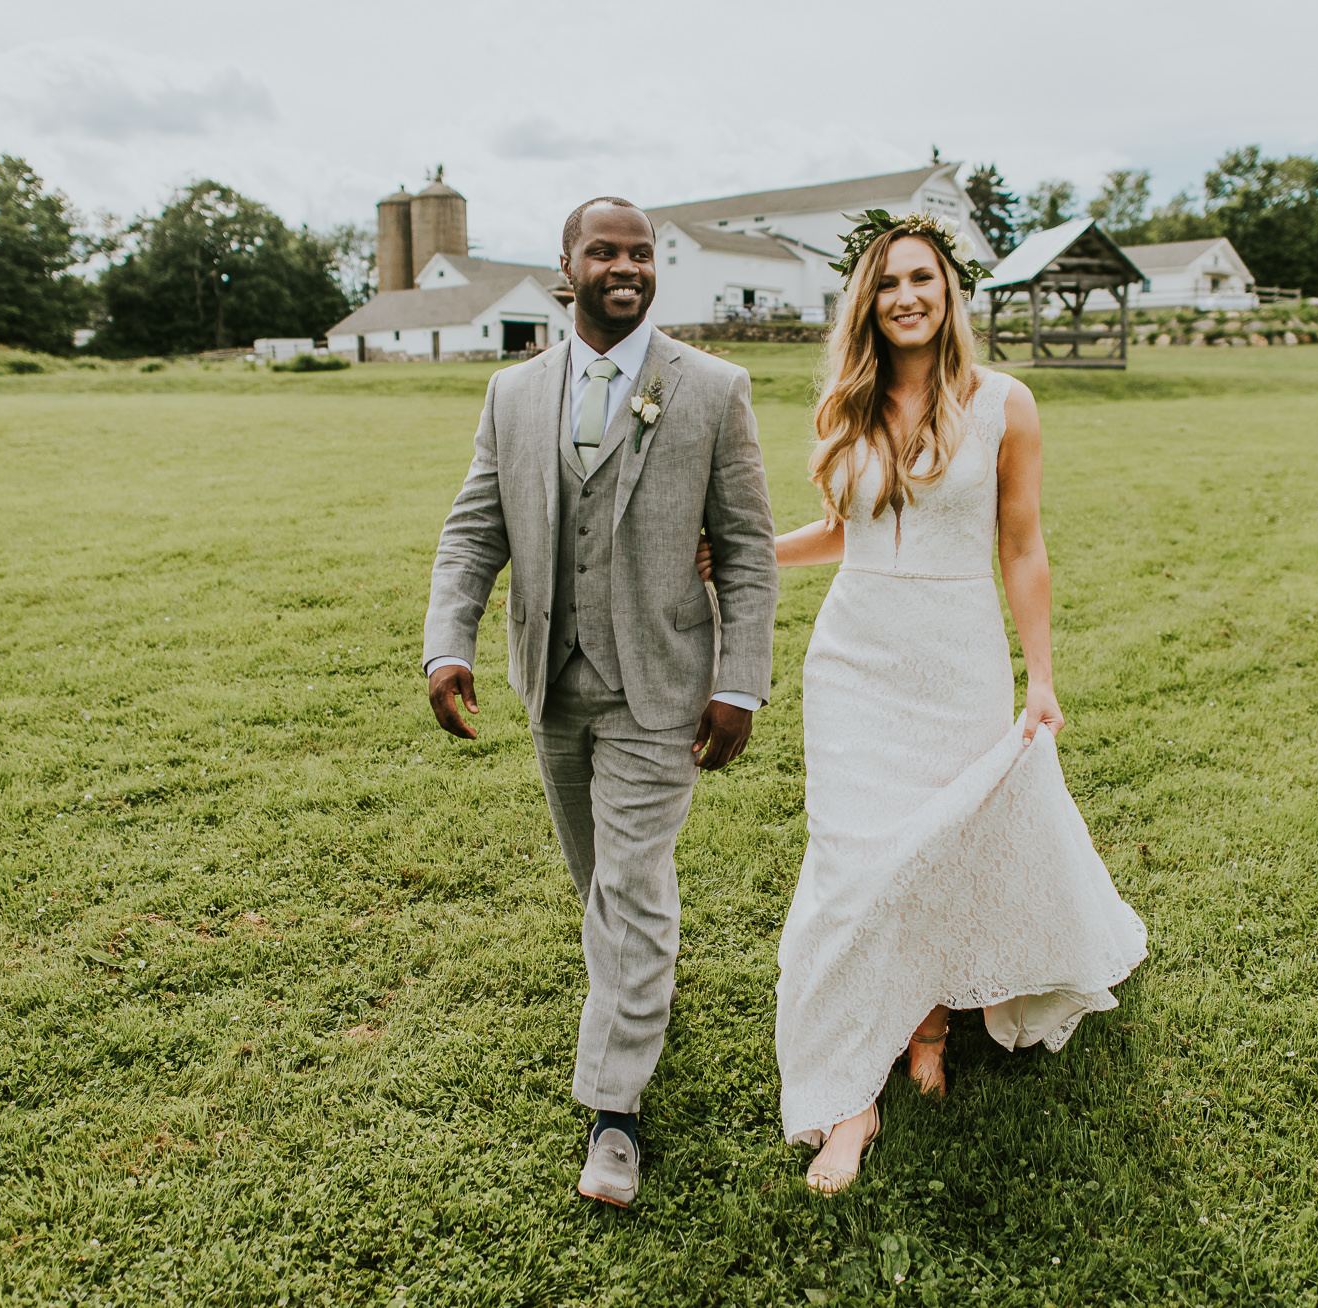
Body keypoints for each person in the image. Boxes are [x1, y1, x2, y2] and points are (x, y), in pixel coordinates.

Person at [763, 212, 1147, 1193]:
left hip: (954, 658)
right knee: (852, 860)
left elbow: (1020, 545)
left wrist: (1043, 676)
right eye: (887, 282)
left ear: (948, 294)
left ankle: (929, 1021)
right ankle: (851, 1100)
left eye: (921, 279)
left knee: (940, 846)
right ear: (868, 300)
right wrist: (753, 556)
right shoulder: (846, 404)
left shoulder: (1002, 405)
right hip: (853, 661)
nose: (905, 296)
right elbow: (847, 532)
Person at [422, 197, 778, 1208]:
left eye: (643, 252)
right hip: (551, 681)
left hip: (660, 687)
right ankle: (643, 981)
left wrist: (738, 678)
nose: (627, 265)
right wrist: (447, 644)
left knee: (629, 883)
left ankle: (613, 1115)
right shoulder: (512, 393)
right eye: (604, 251)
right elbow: (472, 531)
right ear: (565, 268)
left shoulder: (711, 389)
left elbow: (747, 549)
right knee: (600, 887)